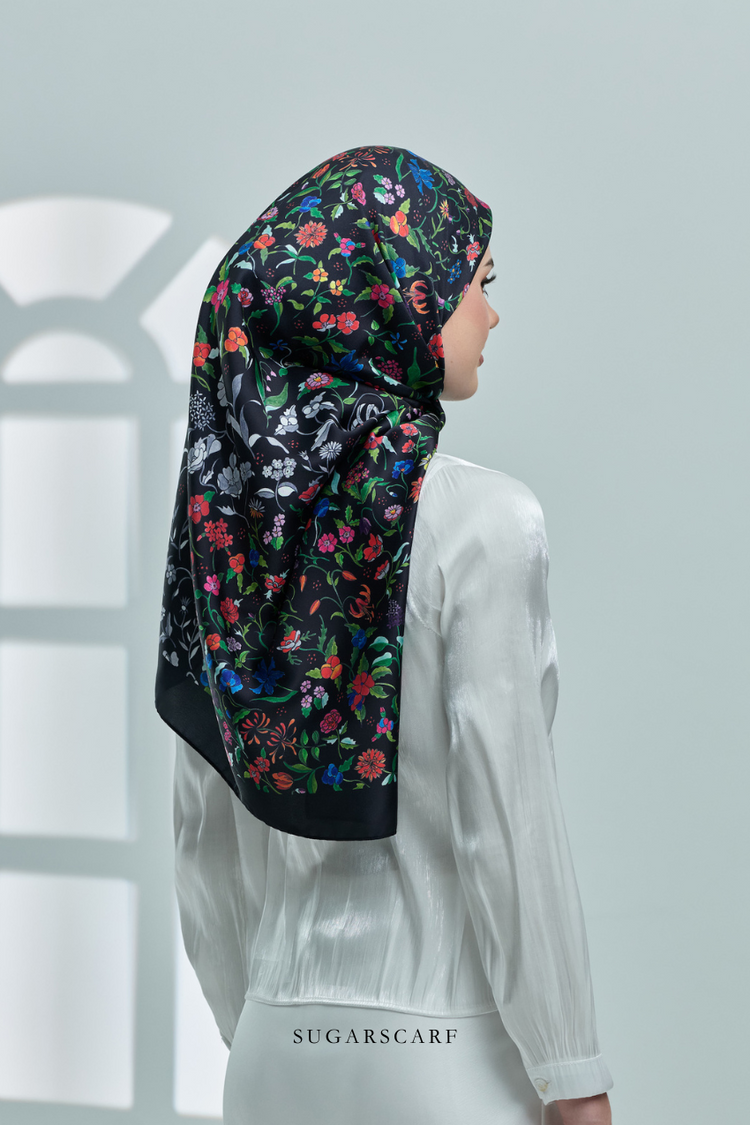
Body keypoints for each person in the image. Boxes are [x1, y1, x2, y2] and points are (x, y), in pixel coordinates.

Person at [167, 145, 614, 1125]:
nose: (491, 315)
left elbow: (203, 832)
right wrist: (573, 1071)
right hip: (445, 1056)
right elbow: (510, 822)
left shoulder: (234, 530)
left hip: (272, 1054)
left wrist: (265, 1022)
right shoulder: (485, 522)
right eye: (476, 284)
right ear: (394, 299)